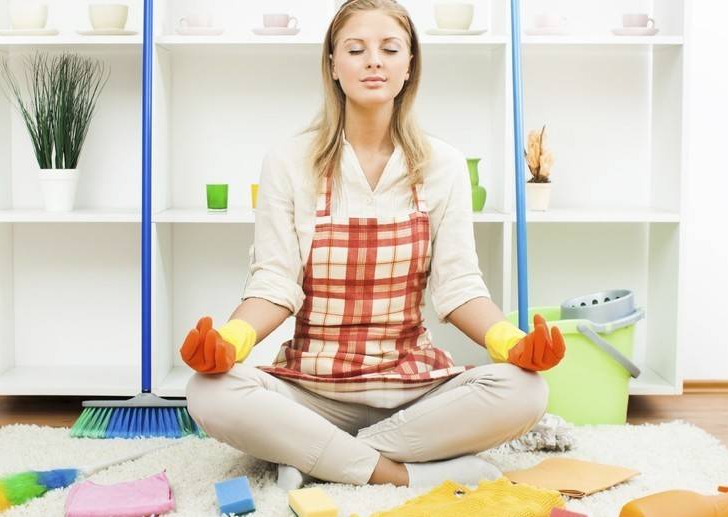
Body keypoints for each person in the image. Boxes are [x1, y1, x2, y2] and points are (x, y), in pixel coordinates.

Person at [182, 0, 566, 489]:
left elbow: (459, 287)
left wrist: (512, 343)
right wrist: (230, 340)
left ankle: (314, 455)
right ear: (332, 64)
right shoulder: (288, 161)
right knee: (208, 392)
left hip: (413, 390)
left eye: (389, 49)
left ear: (409, 66)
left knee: (526, 390)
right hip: (313, 388)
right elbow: (274, 283)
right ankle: (401, 474)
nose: (373, 62)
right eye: (356, 49)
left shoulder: (443, 165)